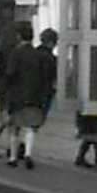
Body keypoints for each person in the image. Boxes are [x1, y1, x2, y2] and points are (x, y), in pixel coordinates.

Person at [5, 27, 58, 169]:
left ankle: (13, 157)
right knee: (30, 127)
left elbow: (10, 74)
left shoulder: (16, 53)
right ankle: (28, 154)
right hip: (34, 95)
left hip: (17, 95)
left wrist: (7, 91)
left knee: (15, 127)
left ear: (19, 36)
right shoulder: (37, 55)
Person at [0, 25, 26, 158]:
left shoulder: (1, 50)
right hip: (12, 87)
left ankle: (3, 146)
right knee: (10, 119)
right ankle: (6, 146)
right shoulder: (14, 51)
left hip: (2, 86)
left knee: (6, 118)